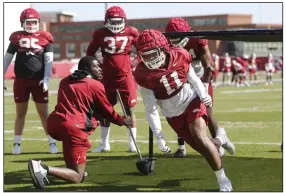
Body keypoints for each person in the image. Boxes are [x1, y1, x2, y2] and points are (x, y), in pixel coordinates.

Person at [134, 29, 233, 191]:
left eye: (152, 53)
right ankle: (221, 139)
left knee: (200, 136)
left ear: (163, 48)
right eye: (145, 55)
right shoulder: (142, 73)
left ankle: (223, 180)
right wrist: (159, 135)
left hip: (190, 100)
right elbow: (150, 108)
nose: (149, 59)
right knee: (203, 147)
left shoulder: (180, 55)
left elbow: (193, 78)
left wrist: (203, 94)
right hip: (173, 114)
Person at [28, 56, 133, 189]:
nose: (100, 69)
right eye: (96, 66)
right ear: (86, 69)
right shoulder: (95, 85)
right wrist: (123, 120)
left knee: (76, 171)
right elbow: (107, 111)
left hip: (55, 123)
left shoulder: (64, 81)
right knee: (78, 177)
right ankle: (42, 168)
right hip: (74, 128)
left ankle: (51, 171)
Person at [163, 17, 235, 157]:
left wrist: (205, 86)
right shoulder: (167, 43)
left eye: (178, 36)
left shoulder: (197, 40)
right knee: (179, 112)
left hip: (201, 78)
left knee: (207, 112)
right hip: (182, 79)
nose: (175, 40)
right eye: (173, 37)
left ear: (186, 33)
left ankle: (220, 141)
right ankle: (182, 147)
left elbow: (208, 66)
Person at [3, 8, 58, 155]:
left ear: (38, 22)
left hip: (38, 80)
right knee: (20, 112)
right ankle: (17, 143)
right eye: (29, 22)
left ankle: (52, 142)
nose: (32, 24)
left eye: (34, 22)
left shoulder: (45, 37)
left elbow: (49, 61)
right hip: (21, 80)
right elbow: (7, 58)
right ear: (22, 22)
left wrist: (46, 78)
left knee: (44, 113)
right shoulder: (16, 37)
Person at [86, 6, 139, 153]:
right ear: (107, 21)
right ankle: (104, 143)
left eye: (118, 21)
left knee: (129, 110)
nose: (115, 25)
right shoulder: (100, 33)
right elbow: (90, 53)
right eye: (113, 21)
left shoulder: (131, 32)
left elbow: (142, 48)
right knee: (105, 110)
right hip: (107, 77)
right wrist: (99, 66)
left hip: (126, 77)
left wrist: (136, 62)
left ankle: (132, 144)